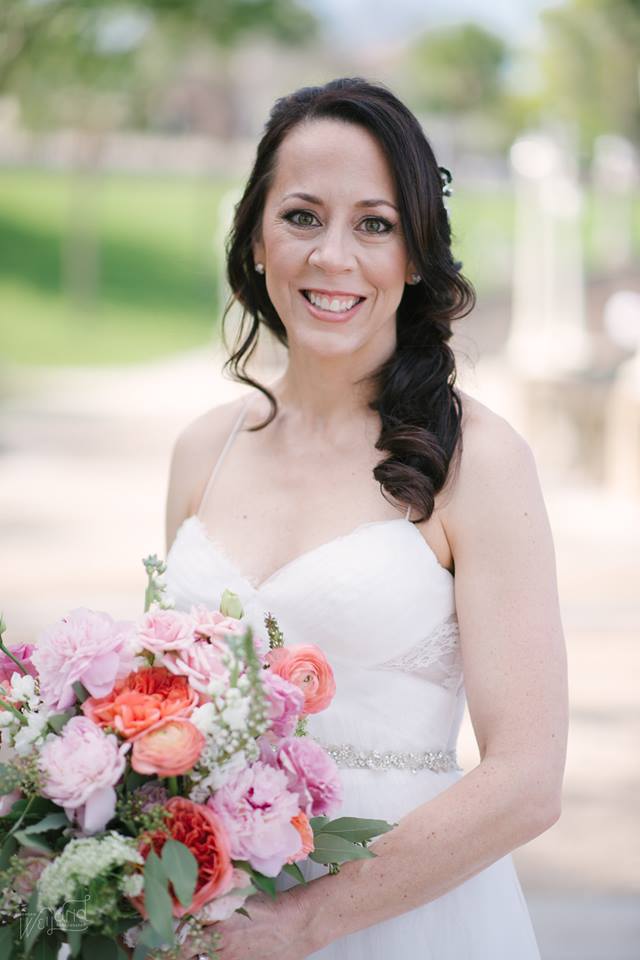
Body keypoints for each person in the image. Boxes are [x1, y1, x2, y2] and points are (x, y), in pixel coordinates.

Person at [163, 77, 568, 959]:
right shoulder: (204, 450)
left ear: (416, 253)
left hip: (410, 923)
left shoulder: (477, 460)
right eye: (302, 216)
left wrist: (300, 924)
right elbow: (162, 718)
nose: (332, 257)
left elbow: (529, 780)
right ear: (257, 240)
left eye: (374, 225)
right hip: (210, 921)